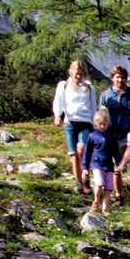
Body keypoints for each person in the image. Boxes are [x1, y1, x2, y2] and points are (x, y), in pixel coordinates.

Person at [99, 65, 130, 204]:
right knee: (117, 168)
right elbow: (101, 116)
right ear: (112, 78)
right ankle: (118, 196)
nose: (120, 80)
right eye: (117, 77)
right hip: (112, 137)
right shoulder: (105, 96)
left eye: (123, 77)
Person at [52, 60, 97, 195]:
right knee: (73, 156)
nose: (78, 77)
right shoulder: (63, 85)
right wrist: (57, 115)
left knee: (81, 150)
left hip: (85, 122)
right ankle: (79, 185)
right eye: (76, 74)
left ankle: (86, 178)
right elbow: (58, 101)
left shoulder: (89, 87)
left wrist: (95, 126)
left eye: (81, 75)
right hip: (70, 123)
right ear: (70, 72)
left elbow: (93, 106)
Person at [81, 107, 123, 214]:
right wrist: (85, 167)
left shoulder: (112, 137)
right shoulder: (92, 136)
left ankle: (105, 208)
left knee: (108, 188)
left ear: (108, 123)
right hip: (96, 165)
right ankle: (96, 201)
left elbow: (116, 153)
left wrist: (120, 164)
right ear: (95, 123)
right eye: (100, 124)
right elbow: (87, 153)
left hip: (108, 166)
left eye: (105, 124)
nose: (102, 126)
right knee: (99, 184)